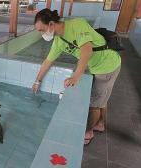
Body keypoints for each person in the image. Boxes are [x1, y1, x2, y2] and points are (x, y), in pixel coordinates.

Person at [32, 9, 121, 145]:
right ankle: (101, 124)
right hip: (95, 67)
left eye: (41, 30)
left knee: (94, 104)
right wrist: (37, 81)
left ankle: (88, 132)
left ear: (51, 24)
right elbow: (47, 61)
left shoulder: (77, 25)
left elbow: (87, 50)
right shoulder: (58, 41)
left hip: (107, 65)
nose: (41, 34)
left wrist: (76, 76)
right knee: (102, 97)